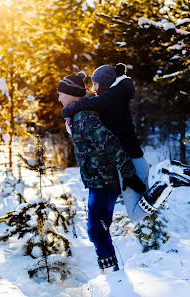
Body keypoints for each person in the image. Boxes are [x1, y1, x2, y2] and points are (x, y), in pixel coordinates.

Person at [61, 64, 190, 221]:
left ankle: (167, 182)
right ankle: (169, 168)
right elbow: (92, 101)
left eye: (96, 84)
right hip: (137, 159)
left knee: (135, 215)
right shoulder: (114, 100)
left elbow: (89, 104)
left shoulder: (110, 100)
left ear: (103, 84)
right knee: (148, 201)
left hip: (130, 163)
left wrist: (69, 109)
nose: (94, 88)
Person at [57, 72, 147, 273]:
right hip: (98, 180)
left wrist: (129, 173)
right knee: (99, 229)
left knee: (97, 230)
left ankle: (112, 275)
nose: (58, 98)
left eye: (61, 93)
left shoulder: (84, 117)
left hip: (103, 182)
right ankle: (111, 271)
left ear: (71, 94)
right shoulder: (79, 115)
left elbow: (110, 143)